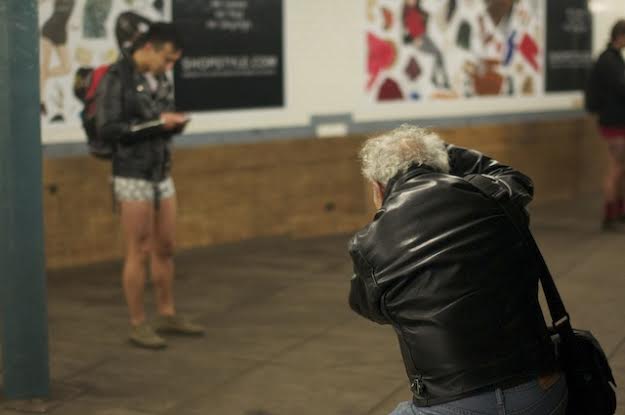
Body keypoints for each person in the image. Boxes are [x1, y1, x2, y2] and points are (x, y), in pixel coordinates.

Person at [348, 124, 567, 414]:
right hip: (543, 391)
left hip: (451, 405)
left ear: (378, 187)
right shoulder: (493, 196)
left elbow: (368, 307)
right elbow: (515, 178)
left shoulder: (369, 243)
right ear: (444, 166)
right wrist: (433, 154)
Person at [96, 22, 204, 349]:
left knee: (166, 246)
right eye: (168, 59)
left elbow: (159, 122)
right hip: (131, 173)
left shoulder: (159, 78)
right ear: (149, 48)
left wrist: (172, 125)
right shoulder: (117, 78)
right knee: (138, 248)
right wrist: (159, 123)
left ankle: (166, 313)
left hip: (161, 171)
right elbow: (109, 129)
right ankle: (137, 322)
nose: (169, 67)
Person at [594, 20, 625, 230]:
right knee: (617, 167)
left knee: (621, 168)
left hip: (614, 120)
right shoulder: (609, 61)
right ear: (620, 36)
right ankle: (610, 216)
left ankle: (619, 212)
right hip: (614, 122)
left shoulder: (613, 59)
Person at [39, 0, 76, 119]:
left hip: (61, 33)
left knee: (67, 68)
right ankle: (40, 101)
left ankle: (42, 75)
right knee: (45, 64)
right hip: (49, 30)